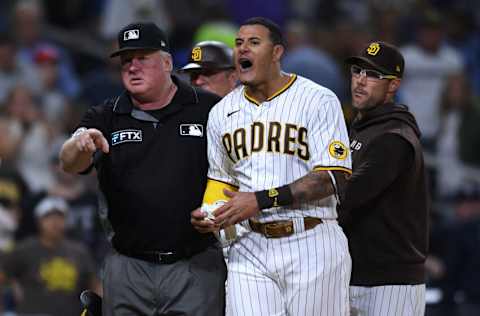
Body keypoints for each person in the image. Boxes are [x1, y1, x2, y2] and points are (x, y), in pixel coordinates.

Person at [59, 22, 226, 315]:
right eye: (126, 62)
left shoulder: (208, 108)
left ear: (167, 62)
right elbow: (69, 162)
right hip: (128, 268)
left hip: (194, 265)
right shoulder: (107, 115)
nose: (133, 68)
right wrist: (79, 143)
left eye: (142, 59)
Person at [191, 17, 352, 316]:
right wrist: (211, 212)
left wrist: (261, 199)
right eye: (238, 44)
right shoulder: (221, 113)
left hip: (311, 239)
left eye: (253, 42)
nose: (242, 50)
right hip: (249, 246)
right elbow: (221, 180)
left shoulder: (318, 99)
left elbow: (332, 177)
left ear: (277, 52)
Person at [339, 41, 430, 315]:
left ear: (393, 85)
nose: (360, 81)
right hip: (358, 275)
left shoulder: (394, 137)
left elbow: (347, 196)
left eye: (374, 75)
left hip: (390, 283)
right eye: (357, 71)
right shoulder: (358, 128)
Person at [1, 196, 99, 316]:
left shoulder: (80, 252)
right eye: (48, 217)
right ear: (38, 221)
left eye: (60, 217)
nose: (55, 222)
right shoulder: (24, 249)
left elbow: (94, 286)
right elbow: (3, 276)